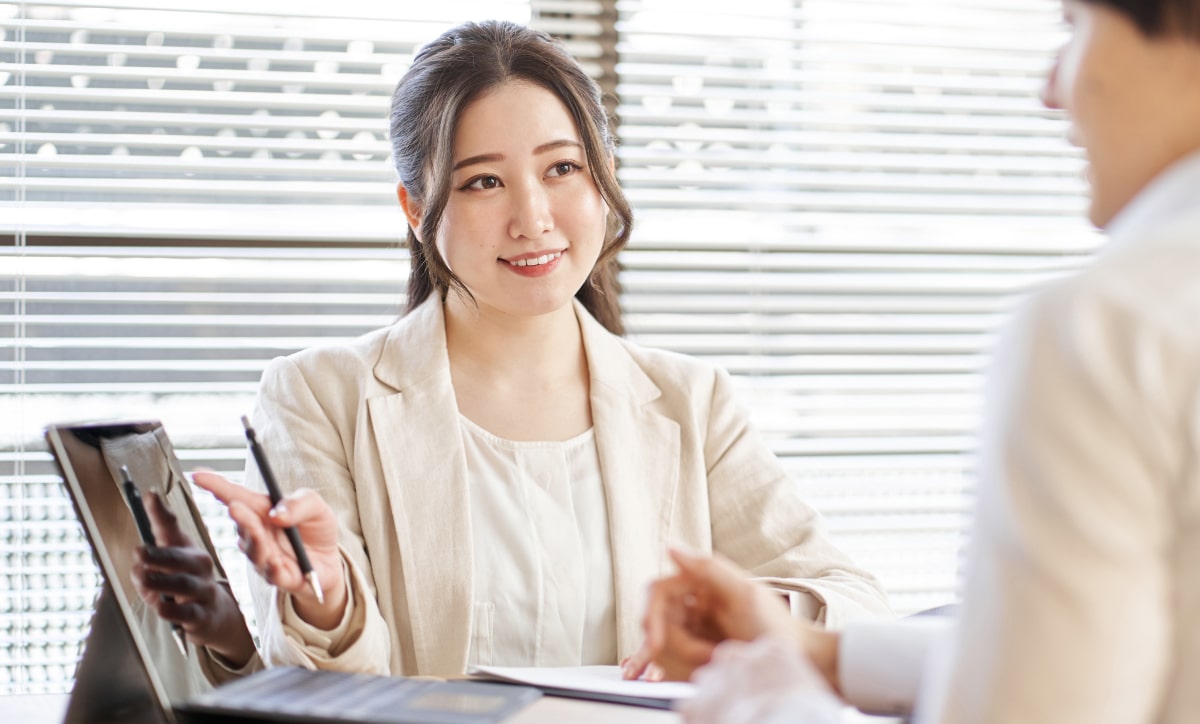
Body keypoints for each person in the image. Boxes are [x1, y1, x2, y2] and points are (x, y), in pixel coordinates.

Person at [189, 19, 891, 679]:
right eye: (483, 182)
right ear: (414, 207)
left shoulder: (691, 400)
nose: (533, 219)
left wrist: (748, 616)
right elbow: (334, 685)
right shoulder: (319, 394)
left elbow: (849, 599)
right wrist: (329, 596)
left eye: (562, 169)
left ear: (604, 174)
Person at [629, 1, 1200, 722]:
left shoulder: (1108, 328)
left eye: (1074, 28)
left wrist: (766, 704)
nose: (1050, 88)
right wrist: (822, 655)